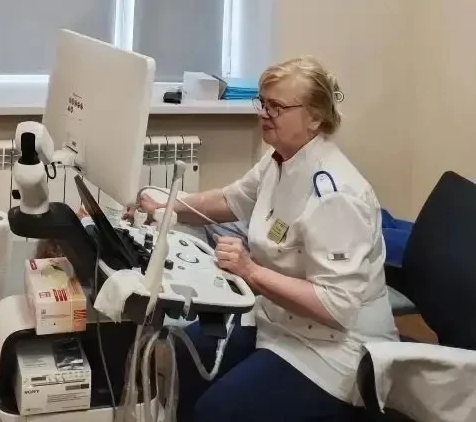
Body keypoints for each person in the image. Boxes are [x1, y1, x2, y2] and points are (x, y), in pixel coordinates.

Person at [137, 56, 397, 422]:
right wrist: (165, 208)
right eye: (262, 102)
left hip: (335, 351)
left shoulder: (335, 196)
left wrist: (250, 271)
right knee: (185, 351)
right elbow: (230, 200)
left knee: (217, 412)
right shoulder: (279, 160)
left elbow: (337, 307)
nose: (264, 113)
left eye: (277, 107)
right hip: (280, 321)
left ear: (315, 117)